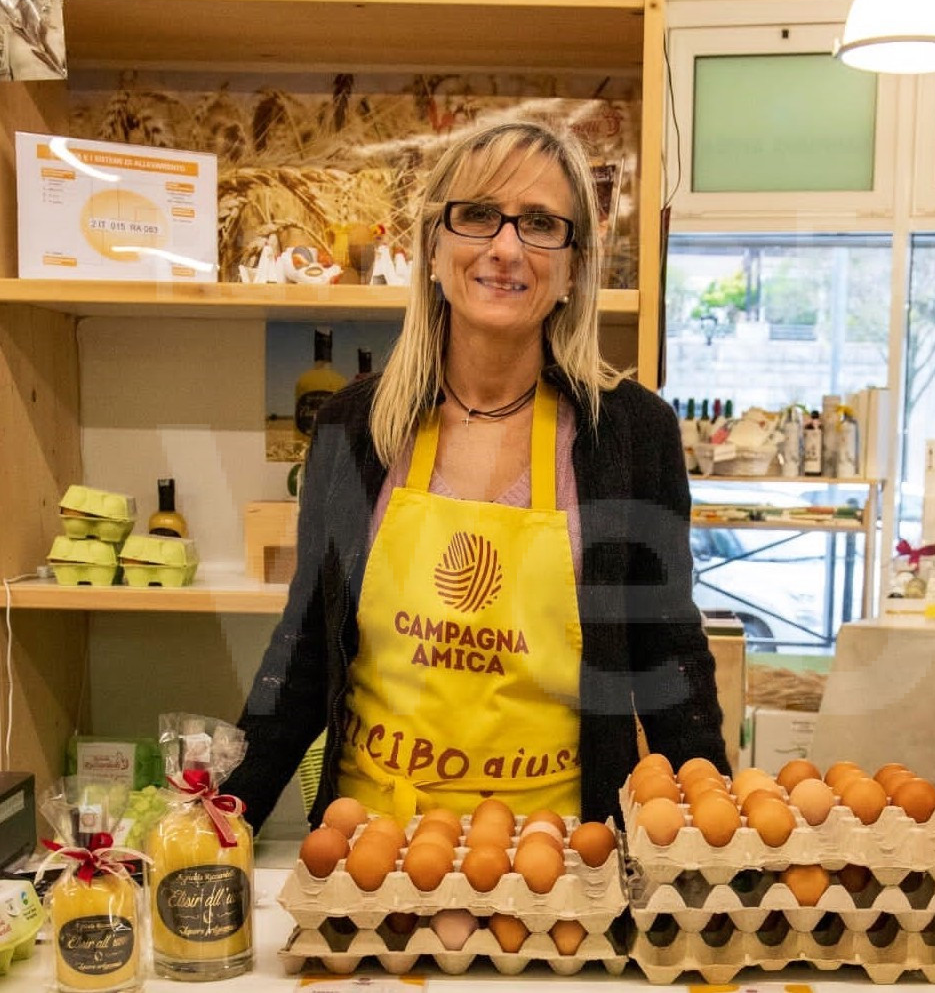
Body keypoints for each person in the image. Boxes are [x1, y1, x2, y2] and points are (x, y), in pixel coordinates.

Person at [227, 118, 728, 830]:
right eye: (478, 214)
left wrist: (713, 830)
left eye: (540, 223)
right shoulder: (354, 426)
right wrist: (225, 814)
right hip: (369, 849)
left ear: (574, 267)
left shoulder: (630, 433)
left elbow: (668, 655)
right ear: (433, 247)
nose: (506, 247)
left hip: (561, 855)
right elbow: (305, 647)